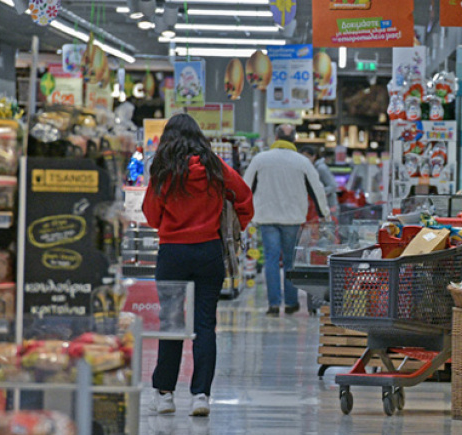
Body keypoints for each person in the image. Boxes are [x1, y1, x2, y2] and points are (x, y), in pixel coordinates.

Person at [142, 113, 254, 417]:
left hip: (173, 254)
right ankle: (200, 395)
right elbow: (244, 197)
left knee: (171, 322)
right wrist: (233, 227)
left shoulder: (163, 170)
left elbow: (151, 217)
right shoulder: (216, 167)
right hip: (208, 251)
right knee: (205, 324)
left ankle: (165, 395)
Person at [244, 125, 331, 316]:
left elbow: (245, 186)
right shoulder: (302, 162)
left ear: (275, 137)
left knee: (271, 260)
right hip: (292, 218)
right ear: (294, 139)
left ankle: (273, 305)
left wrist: (242, 214)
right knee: (291, 261)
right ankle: (291, 303)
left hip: (266, 217)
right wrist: (324, 214)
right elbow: (317, 189)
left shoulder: (260, 159)